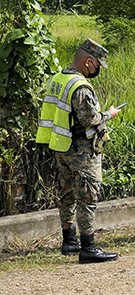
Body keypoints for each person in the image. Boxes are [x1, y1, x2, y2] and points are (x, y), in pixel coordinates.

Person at [35, 39, 121, 264]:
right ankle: (88, 248)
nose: (98, 70)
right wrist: (109, 114)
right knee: (87, 196)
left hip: (62, 146)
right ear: (88, 61)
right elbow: (89, 118)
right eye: (98, 66)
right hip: (82, 149)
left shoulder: (58, 79)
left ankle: (69, 241)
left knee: (67, 195)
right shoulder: (80, 86)